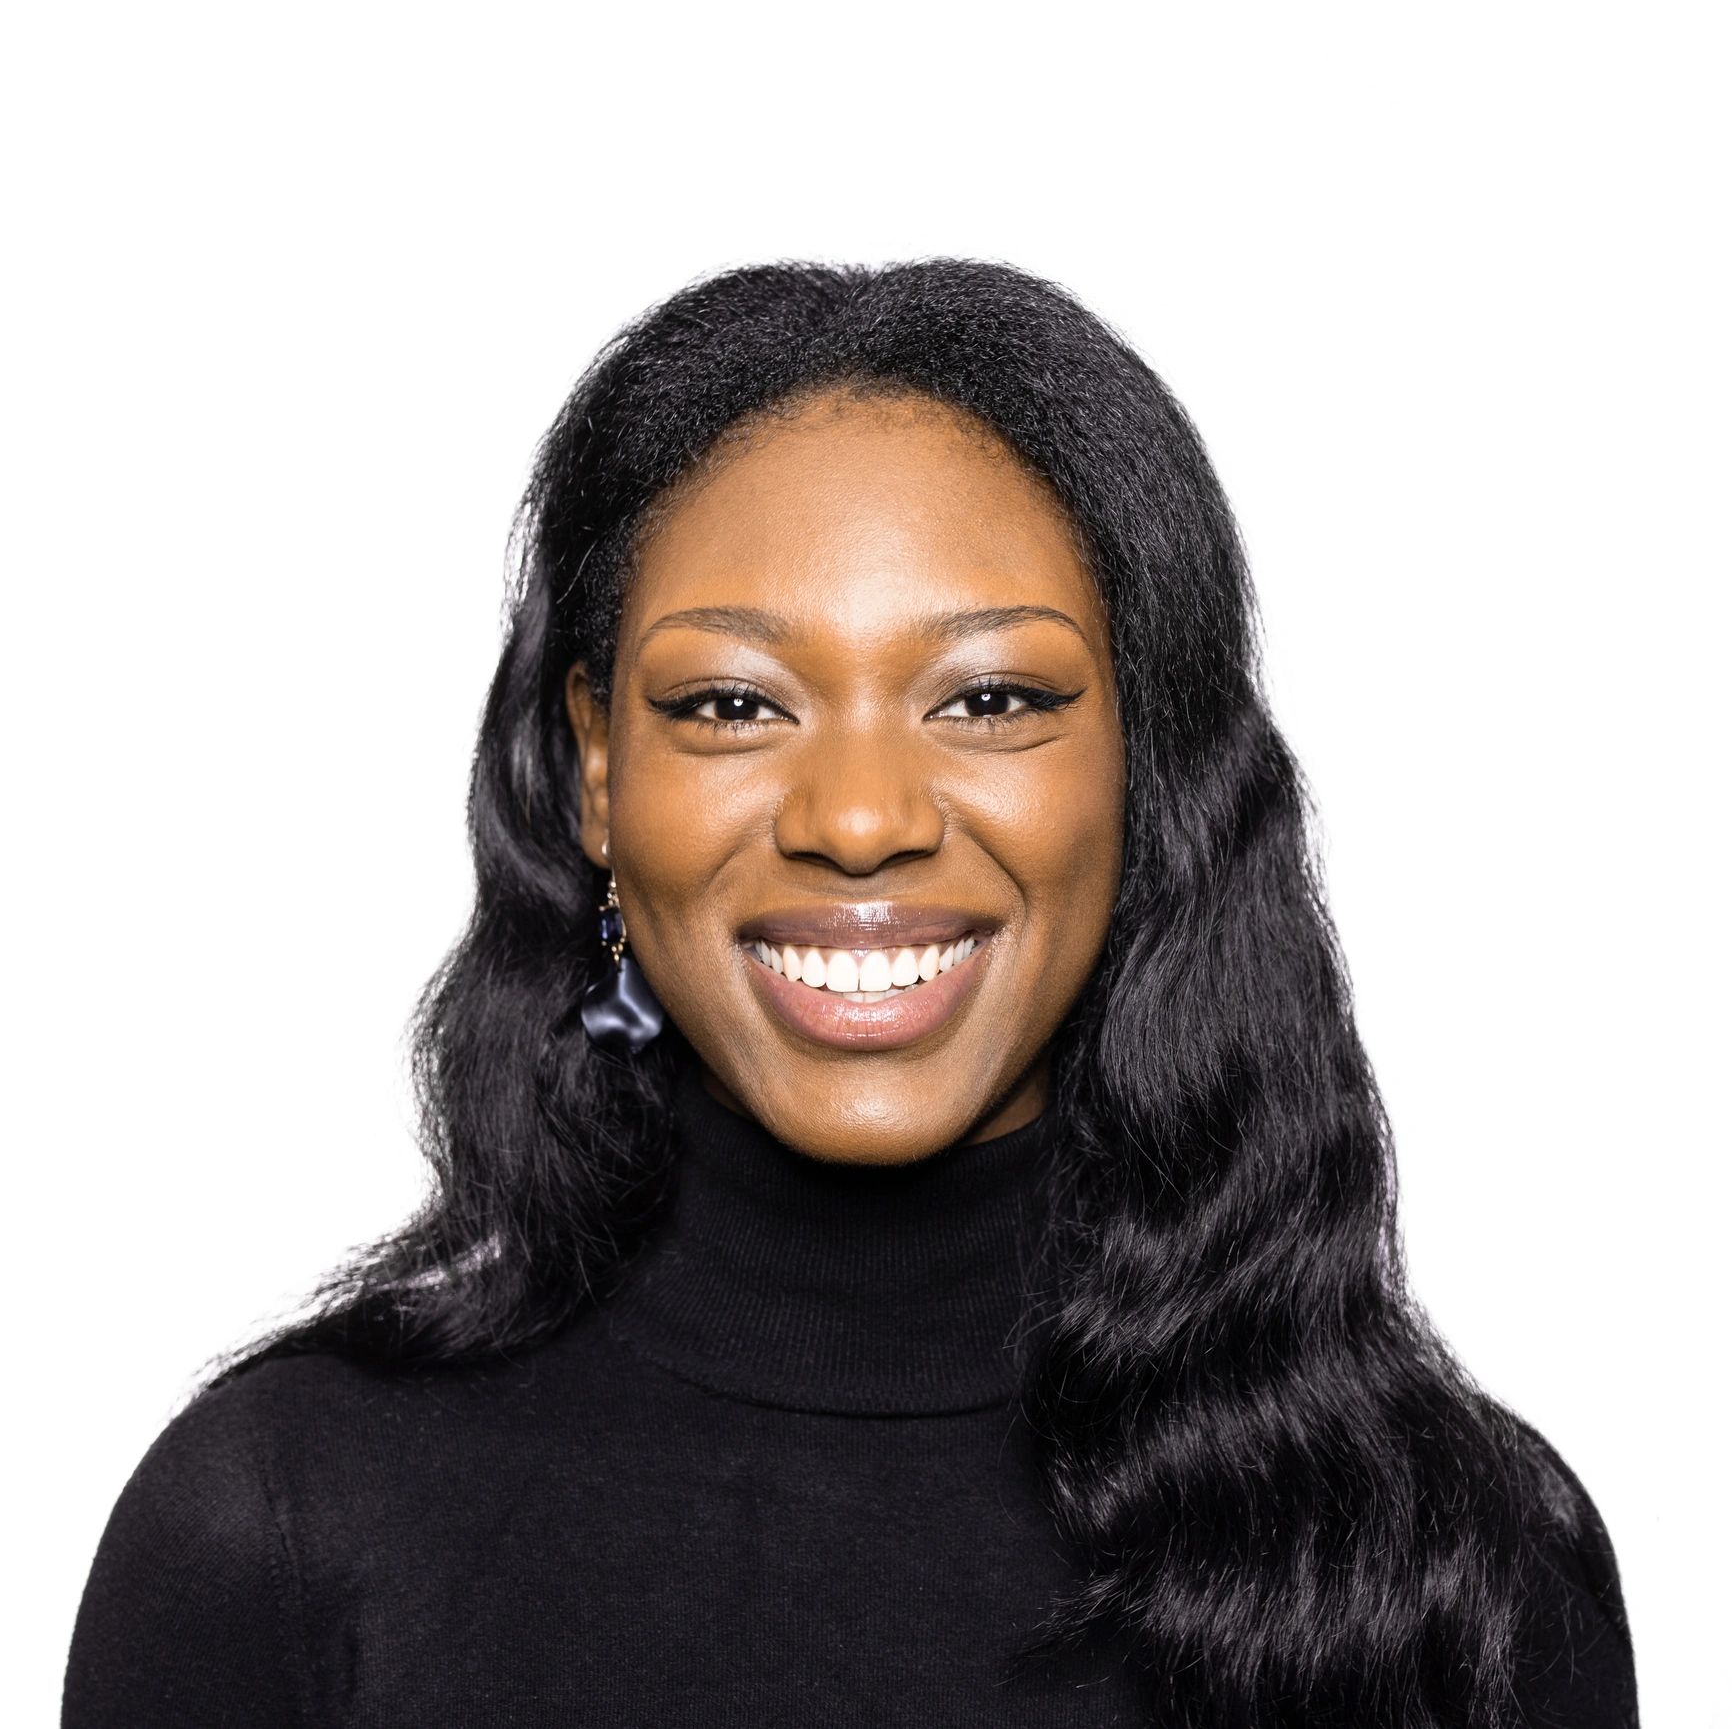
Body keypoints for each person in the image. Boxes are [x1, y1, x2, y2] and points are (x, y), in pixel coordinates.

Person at [61, 260, 1640, 1727]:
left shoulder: (1462, 1561)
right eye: (734, 703)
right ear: (599, 766)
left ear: (1147, 762)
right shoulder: (275, 1527)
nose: (862, 815)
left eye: (994, 697)